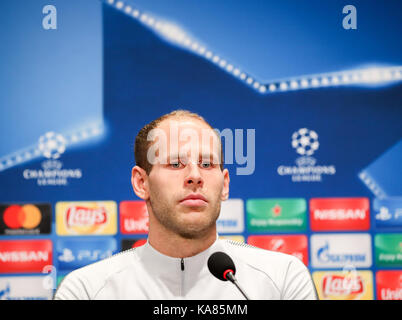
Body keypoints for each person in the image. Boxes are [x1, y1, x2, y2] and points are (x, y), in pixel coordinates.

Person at [54, 109, 318, 300]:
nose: (195, 175)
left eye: (207, 164)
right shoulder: (86, 290)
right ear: (141, 183)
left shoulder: (282, 279)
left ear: (224, 184)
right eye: (175, 164)